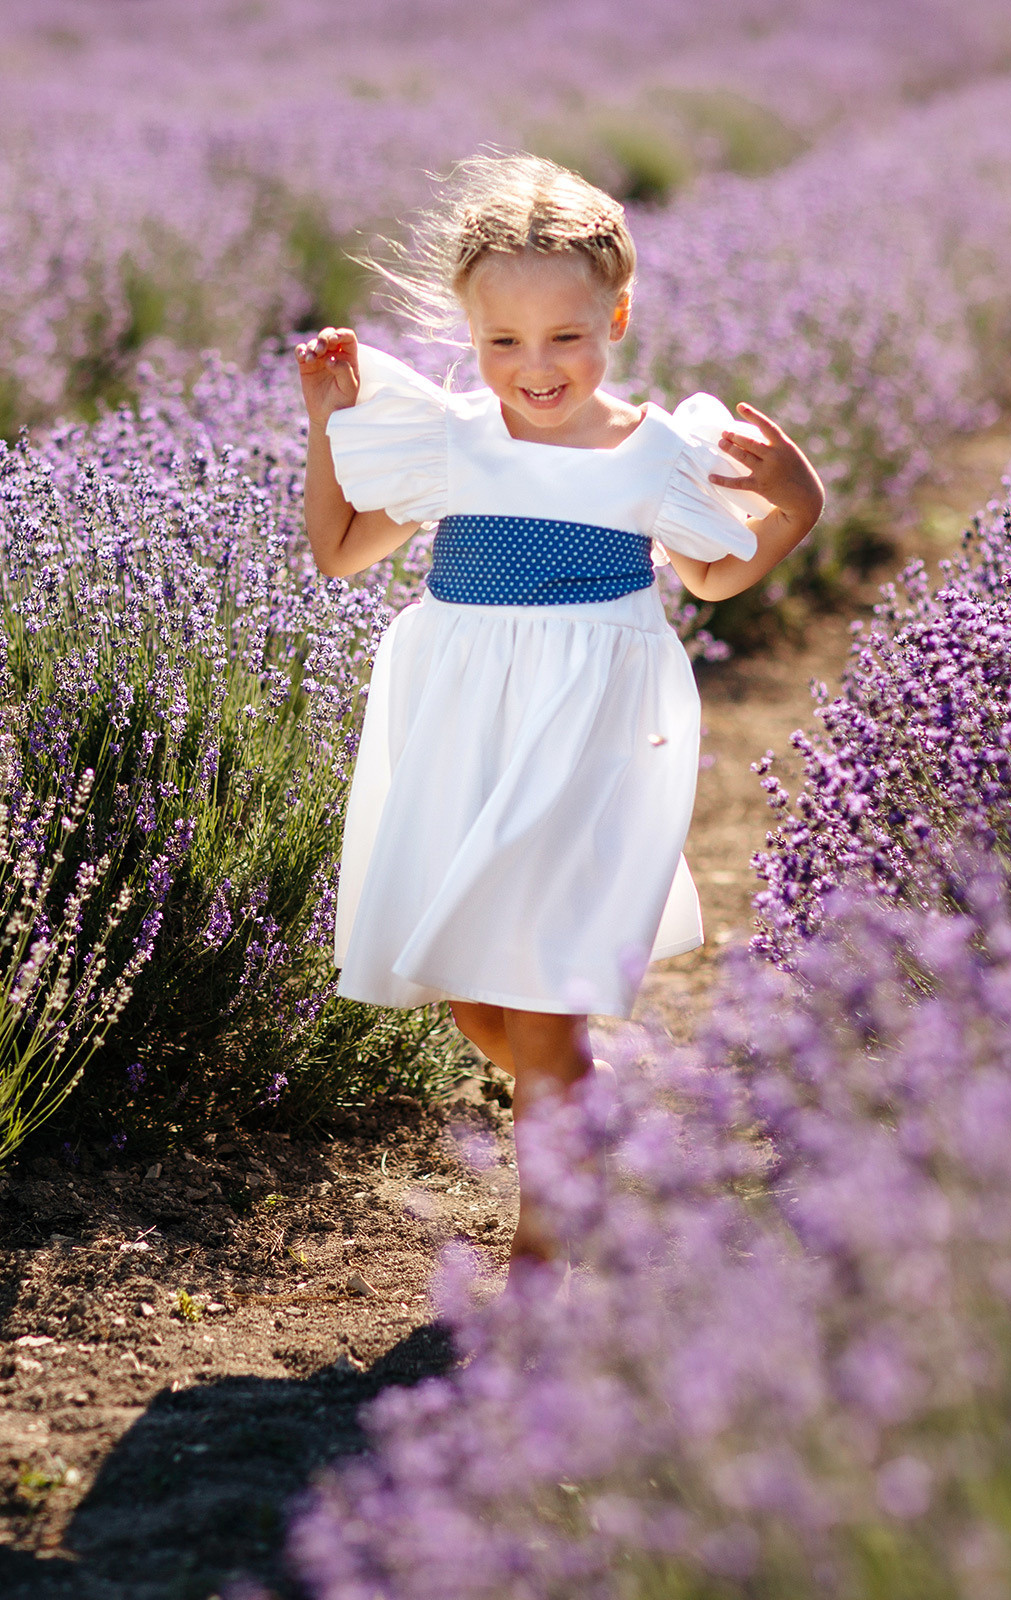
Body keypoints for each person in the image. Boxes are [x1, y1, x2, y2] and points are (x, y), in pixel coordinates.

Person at [294, 153, 824, 1269]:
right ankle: (586, 1115)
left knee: (541, 1013)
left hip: (588, 742)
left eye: (566, 338)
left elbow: (716, 579)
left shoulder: (655, 452)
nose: (536, 368)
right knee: (477, 1000)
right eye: (504, 342)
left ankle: (549, 1236)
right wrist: (327, 425)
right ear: (468, 334)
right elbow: (341, 552)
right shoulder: (448, 438)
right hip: (462, 734)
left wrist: (797, 502)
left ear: (616, 314)